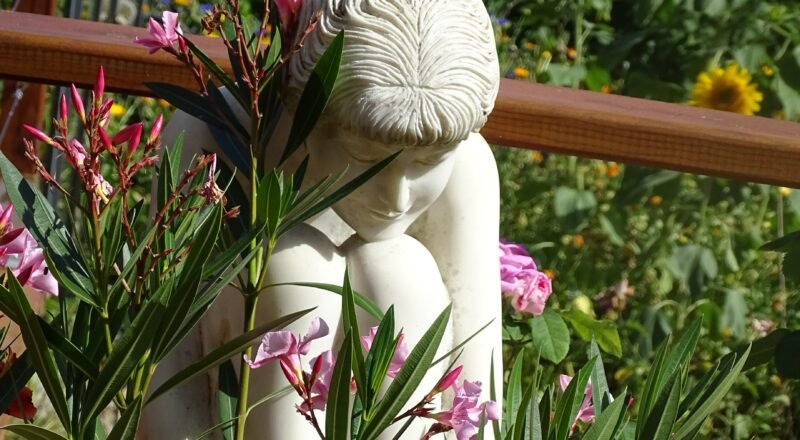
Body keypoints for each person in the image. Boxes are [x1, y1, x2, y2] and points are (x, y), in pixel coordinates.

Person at [140, 0, 502, 438]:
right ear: (305, 109)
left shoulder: (468, 167)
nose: (397, 196)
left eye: (428, 163)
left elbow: (478, 376)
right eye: (365, 157)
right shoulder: (212, 136)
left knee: (401, 273)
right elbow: (164, 363)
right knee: (289, 267)